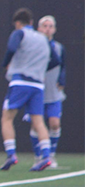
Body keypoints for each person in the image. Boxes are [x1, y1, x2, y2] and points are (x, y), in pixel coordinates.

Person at [0, 8, 58, 172]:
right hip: (38, 85)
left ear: (17, 23)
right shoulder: (43, 38)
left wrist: (5, 64)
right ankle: (46, 156)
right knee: (38, 121)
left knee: (7, 118)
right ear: (32, 22)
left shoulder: (19, 33)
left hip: (20, 81)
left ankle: (11, 154)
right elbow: (56, 60)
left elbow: (11, 48)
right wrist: (40, 69)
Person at [27, 15, 65, 168]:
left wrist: (62, 80)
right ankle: (39, 156)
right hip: (37, 90)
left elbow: (61, 65)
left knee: (54, 123)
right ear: (39, 28)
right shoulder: (34, 46)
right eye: (45, 26)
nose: (47, 29)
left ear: (54, 29)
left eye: (50, 26)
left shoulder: (59, 48)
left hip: (53, 91)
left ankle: (51, 156)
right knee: (36, 124)